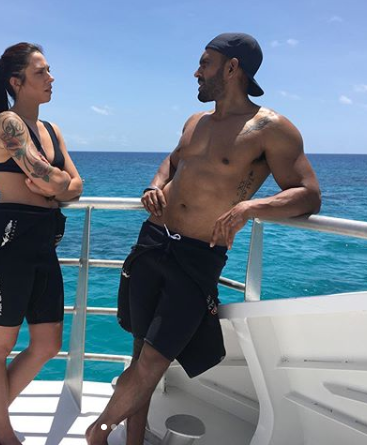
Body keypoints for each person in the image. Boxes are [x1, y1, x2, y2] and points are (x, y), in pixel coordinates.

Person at [86, 33, 321, 445]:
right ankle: (130, 440)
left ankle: (97, 433)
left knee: (154, 360)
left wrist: (250, 208)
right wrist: (154, 184)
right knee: (140, 353)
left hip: (197, 256)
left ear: (232, 68)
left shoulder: (271, 129)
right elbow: (173, 161)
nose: (196, 72)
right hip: (152, 241)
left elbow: (309, 194)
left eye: (205, 63)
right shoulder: (195, 122)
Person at [0, 42, 83, 445]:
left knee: (48, 343)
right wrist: (57, 183)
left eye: (49, 70)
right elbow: (51, 179)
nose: (51, 78)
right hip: (7, 244)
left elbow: (73, 185)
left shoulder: (52, 131)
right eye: (41, 72)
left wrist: (57, 184)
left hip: (43, 243)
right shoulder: (7, 123)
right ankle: (2, 435)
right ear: (16, 81)